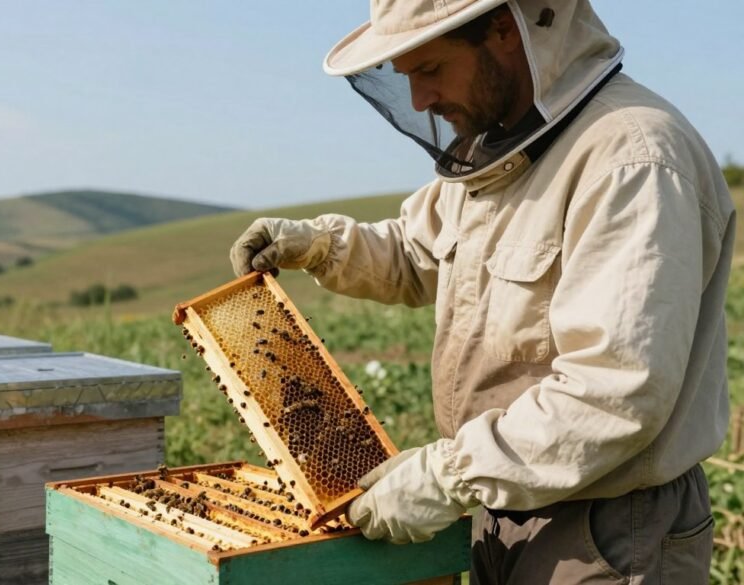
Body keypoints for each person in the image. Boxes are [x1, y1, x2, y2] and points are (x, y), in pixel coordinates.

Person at [229, 0, 734, 582]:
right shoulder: (502, 154)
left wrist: (449, 476)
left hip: (608, 530)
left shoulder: (632, 159)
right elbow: (418, 253)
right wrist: (319, 245)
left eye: (430, 70)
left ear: (504, 31)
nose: (419, 101)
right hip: (505, 502)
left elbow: (615, 391)